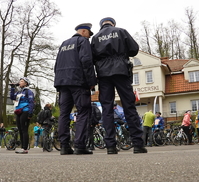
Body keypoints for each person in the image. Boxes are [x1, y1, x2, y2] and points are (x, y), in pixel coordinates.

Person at [91, 17, 147, 154]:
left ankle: (110, 145)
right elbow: (134, 49)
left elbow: (91, 58)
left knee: (107, 109)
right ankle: (138, 144)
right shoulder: (121, 31)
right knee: (129, 106)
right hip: (121, 70)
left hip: (103, 74)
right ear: (113, 23)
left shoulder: (96, 38)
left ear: (101, 25)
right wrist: (122, 54)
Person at [54, 23, 97, 155]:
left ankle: (64, 146)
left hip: (63, 83)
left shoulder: (64, 44)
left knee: (64, 114)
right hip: (78, 82)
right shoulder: (82, 41)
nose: (89, 38)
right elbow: (87, 61)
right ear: (84, 31)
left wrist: (58, 84)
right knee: (83, 111)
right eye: (89, 35)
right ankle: (79, 145)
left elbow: (56, 65)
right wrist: (91, 82)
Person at [10, 77, 35, 154]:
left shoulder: (29, 92)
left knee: (24, 129)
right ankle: (22, 147)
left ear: (26, 83)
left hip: (25, 111)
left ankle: (25, 148)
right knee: (20, 129)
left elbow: (31, 102)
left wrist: (30, 113)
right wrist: (12, 88)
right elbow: (12, 97)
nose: (19, 82)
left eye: (21, 81)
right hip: (18, 111)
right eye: (20, 81)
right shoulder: (18, 92)